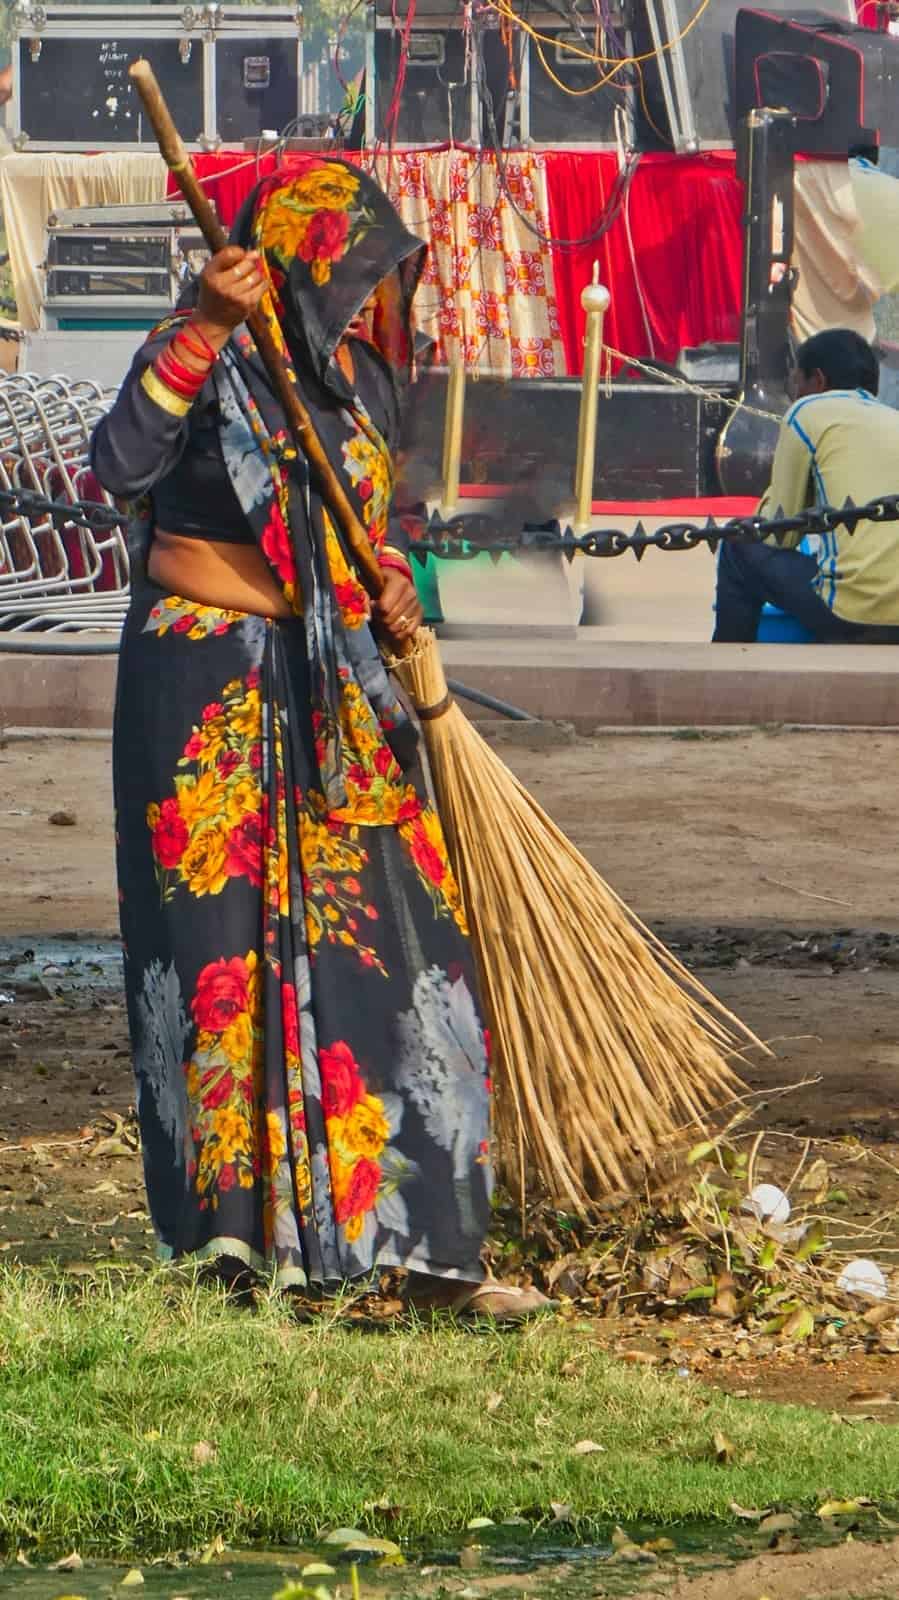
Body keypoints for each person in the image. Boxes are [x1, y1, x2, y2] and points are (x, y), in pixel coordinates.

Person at [91, 159, 547, 1320]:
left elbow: (382, 522)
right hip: (203, 684)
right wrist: (203, 325)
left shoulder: (362, 383)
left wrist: (391, 585)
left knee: (397, 948)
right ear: (300, 263)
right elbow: (118, 465)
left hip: (339, 691)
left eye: (381, 280)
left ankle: (411, 1242)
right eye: (353, 276)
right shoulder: (206, 352)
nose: (372, 301)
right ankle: (235, 1252)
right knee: (220, 960)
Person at [712, 329, 899, 643]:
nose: (795, 392)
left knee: (737, 545)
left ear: (819, 381)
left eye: (797, 381)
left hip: (851, 613)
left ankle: (727, 668)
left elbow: (781, 532)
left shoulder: (807, 411)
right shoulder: (893, 418)